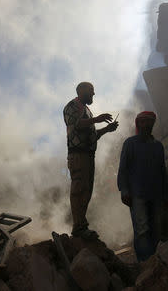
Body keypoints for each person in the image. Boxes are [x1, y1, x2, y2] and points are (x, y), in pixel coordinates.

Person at [63, 81, 119, 239]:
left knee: (86, 191)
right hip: (78, 155)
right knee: (79, 189)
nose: (93, 93)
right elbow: (75, 125)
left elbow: (92, 135)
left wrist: (107, 129)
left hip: (87, 155)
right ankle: (78, 227)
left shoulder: (86, 110)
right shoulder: (72, 106)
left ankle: (81, 225)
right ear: (81, 91)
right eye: (91, 90)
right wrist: (97, 120)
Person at [117, 111, 168, 262]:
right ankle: (145, 263)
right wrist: (124, 190)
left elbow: (162, 172)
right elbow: (123, 169)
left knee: (155, 229)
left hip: (155, 194)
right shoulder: (130, 143)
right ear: (138, 124)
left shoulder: (158, 146)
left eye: (150, 122)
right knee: (142, 230)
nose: (147, 125)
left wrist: (165, 195)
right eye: (144, 122)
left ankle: (154, 261)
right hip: (137, 194)